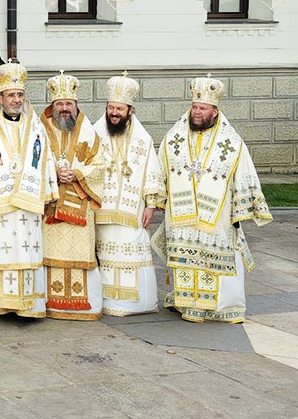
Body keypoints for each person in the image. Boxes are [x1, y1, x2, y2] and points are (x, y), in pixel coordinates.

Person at [156, 75, 271, 323]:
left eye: (203, 108)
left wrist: (240, 211)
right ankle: (187, 303)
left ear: (215, 111)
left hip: (217, 214)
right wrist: (157, 199)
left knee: (217, 257)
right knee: (187, 256)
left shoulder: (231, 141)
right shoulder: (174, 135)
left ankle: (222, 306)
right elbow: (161, 169)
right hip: (182, 212)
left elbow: (244, 172)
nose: (197, 113)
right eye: (195, 107)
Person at [0, 62, 57, 319]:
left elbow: (46, 159)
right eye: (11, 95)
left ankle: (27, 305)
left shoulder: (35, 126)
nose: (16, 100)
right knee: (0, 247)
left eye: (20, 95)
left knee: (27, 246)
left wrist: (49, 192)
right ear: (0, 98)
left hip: (29, 200)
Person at [93, 73, 164, 316]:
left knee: (133, 250)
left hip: (132, 210)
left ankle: (136, 303)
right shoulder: (95, 132)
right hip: (102, 209)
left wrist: (151, 205)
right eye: (111, 107)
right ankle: (106, 301)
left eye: (119, 109)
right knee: (104, 253)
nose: (114, 113)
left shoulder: (143, 139)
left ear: (130, 110)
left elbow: (152, 171)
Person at [40, 72, 109, 321]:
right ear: (53, 105)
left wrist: (77, 174)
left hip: (79, 204)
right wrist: (52, 174)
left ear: (76, 105)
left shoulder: (89, 132)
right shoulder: (41, 128)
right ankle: (50, 303)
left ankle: (84, 306)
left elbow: (100, 165)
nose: (64, 108)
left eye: (68, 104)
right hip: (51, 205)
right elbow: (32, 160)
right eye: (60, 104)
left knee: (80, 253)